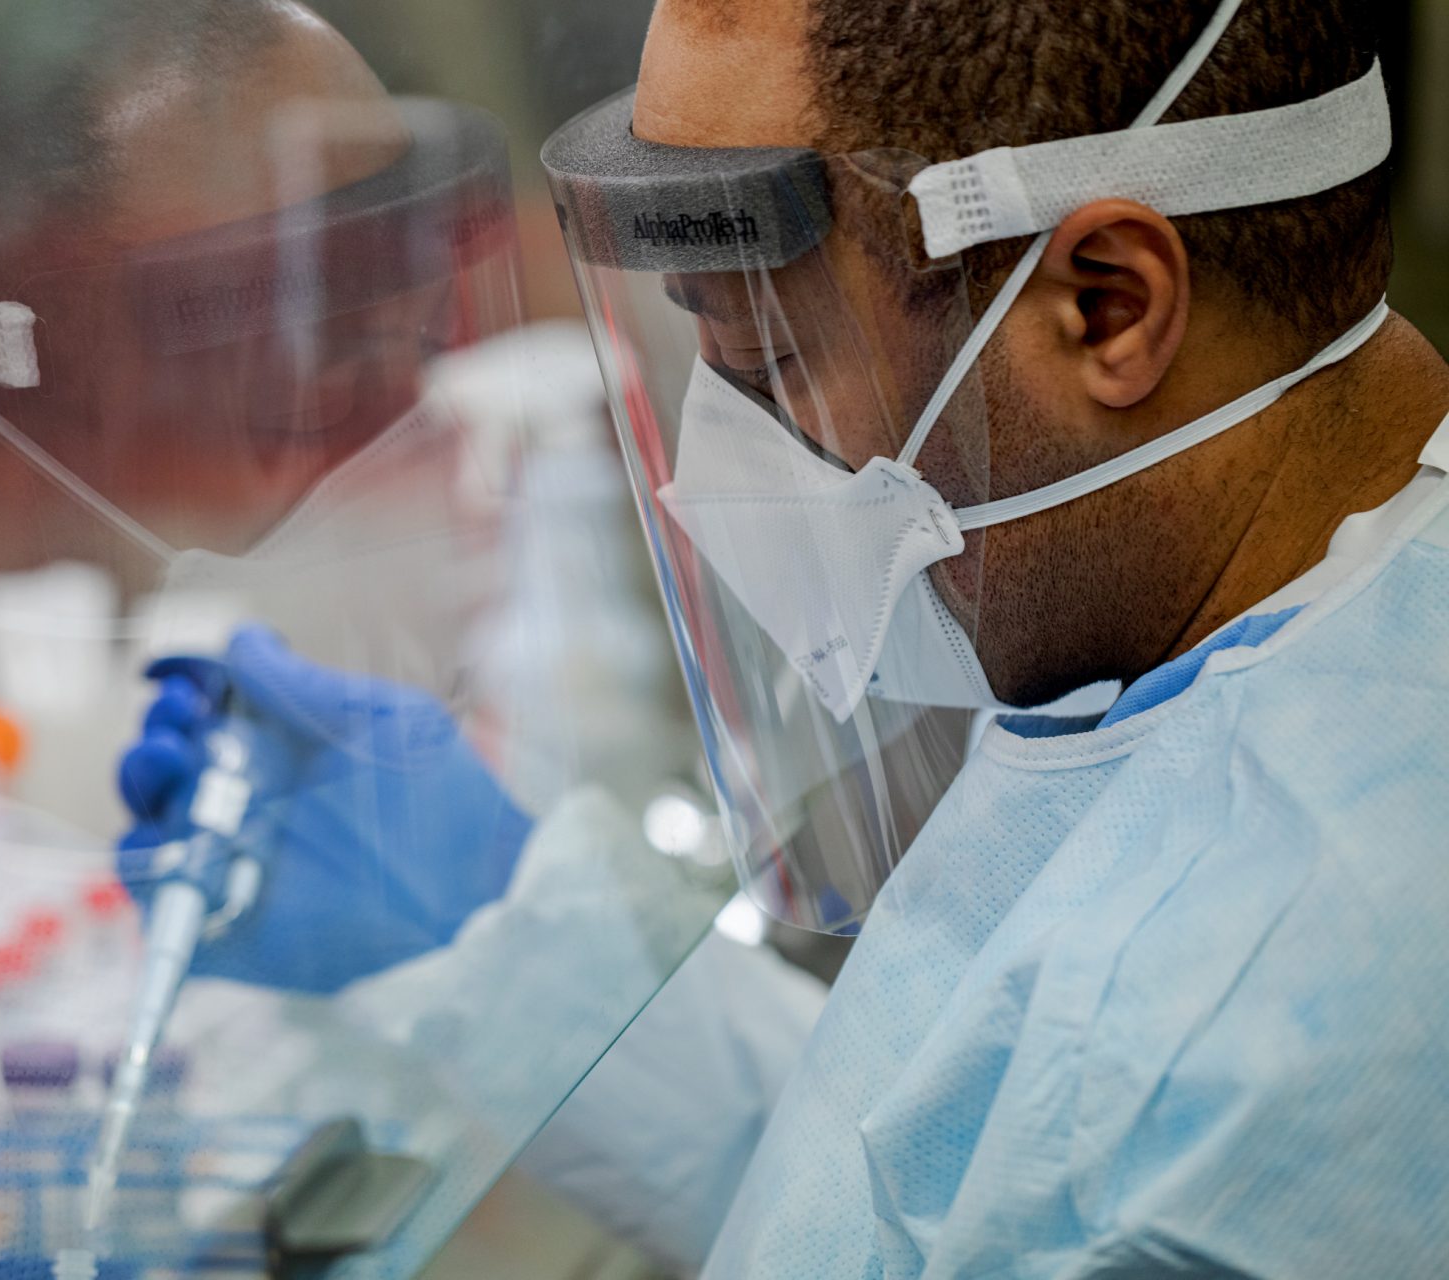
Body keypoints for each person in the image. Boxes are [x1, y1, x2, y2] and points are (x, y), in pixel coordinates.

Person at [0, 1, 826, 1272]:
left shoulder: (356, 752)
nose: (429, 440)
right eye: (307, 366)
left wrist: (522, 926)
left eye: (420, 325)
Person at [535, 0, 1449, 1272]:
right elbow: (904, 1164)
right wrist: (501, 949)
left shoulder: (1242, 1088)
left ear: (1107, 307)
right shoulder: (1181, 627)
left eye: (771, 354)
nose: (718, 465)